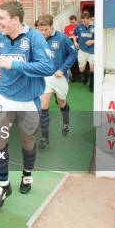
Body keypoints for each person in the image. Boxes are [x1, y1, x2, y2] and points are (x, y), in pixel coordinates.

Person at [0, 1, 54, 210]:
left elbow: (48, 66)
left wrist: (15, 64)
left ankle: (27, 174)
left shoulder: (34, 38)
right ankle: (3, 185)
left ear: (15, 20)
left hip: (29, 100)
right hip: (3, 97)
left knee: (27, 141)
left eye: (2, 18)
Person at [37, 14, 77, 149]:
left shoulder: (62, 38)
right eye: (40, 30)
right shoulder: (37, 40)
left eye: (45, 30)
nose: (43, 33)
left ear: (51, 27)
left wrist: (62, 69)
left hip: (60, 78)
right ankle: (44, 137)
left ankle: (66, 122)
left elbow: (73, 54)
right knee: (43, 105)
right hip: (45, 78)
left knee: (62, 103)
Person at [73, 12, 95, 92]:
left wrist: (93, 41)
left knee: (93, 67)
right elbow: (74, 35)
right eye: (82, 21)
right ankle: (86, 75)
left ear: (89, 19)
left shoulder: (95, 26)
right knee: (81, 69)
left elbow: (100, 37)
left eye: (84, 21)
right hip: (82, 50)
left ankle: (92, 86)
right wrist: (75, 42)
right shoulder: (79, 27)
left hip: (92, 51)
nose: (83, 23)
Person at [64, 15, 80, 81]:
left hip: (79, 43)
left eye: (73, 22)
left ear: (76, 21)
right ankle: (74, 76)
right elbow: (66, 37)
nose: (72, 24)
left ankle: (81, 75)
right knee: (73, 60)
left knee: (80, 60)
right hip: (70, 44)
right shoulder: (67, 27)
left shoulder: (80, 27)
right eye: (71, 22)